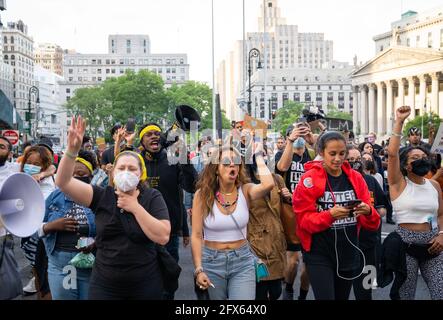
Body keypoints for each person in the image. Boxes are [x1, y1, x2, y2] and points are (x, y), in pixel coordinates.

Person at [55, 116, 171, 300]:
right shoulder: (101, 196)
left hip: (145, 284)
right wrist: (72, 150)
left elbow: (163, 236)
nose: (126, 172)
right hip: (105, 285)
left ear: (141, 174)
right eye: (121, 168)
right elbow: (63, 182)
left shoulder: (152, 197)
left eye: (132, 169)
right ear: (113, 172)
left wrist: (135, 207)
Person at [293, 131, 380, 300]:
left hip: (348, 251)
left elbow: (373, 224)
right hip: (319, 252)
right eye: (332, 154)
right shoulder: (308, 179)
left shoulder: (356, 178)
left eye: (342, 154)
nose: (338, 159)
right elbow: (303, 221)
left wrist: (368, 212)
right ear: (321, 153)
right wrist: (330, 215)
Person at [191, 145, 274, 300]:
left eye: (236, 162)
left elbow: (268, 184)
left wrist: (258, 157)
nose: (232, 165)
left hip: (242, 261)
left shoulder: (246, 190)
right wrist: (198, 269)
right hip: (212, 261)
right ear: (216, 168)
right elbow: (196, 235)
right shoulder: (201, 195)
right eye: (226, 162)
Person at [387, 106, 443, 300]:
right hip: (406, 245)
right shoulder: (398, 183)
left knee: (440, 291)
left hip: (433, 244)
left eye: (423, 157)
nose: (421, 159)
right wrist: (399, 122)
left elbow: (441, 215)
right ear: (405, 165)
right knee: (405, 294)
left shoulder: (434, 184)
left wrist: (442, 235)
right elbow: (393, 154)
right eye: (415, 158)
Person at [41, 150, 97, 300]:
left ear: (90, 176)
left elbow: (111, 229)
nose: (75, 178)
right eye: (70, 174)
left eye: (80, 174)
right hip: (60, 266)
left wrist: (96, 242)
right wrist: (52, 226)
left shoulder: (99, 197)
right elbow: (33, 228)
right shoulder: (54, 197)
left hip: (91, 266)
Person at [138, 122, 197, 264]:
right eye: (149, 134)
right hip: (141, 231)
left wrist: (185, 158)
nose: (154, 137)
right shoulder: (135, 163)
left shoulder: (174, 160)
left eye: (157, 134)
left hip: (169, 232)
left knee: (169, 279)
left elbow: (191, 187)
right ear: (142, 142)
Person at [275, 123, 312, 300]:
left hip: (311, 211)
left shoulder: (310, 155)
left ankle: (303, 295)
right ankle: (288, 288)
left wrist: (311, 137)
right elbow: (282, 167)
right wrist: (290, 141)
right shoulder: (283, 153)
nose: (299, 136)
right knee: (294, 259)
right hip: (290, 211)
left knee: (310, 262)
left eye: (301, 133)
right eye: (294, 133)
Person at [347, 146, 388, 300]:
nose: (355, 163)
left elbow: (382, 207)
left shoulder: (370, 180)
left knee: (365, 290)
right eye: (350, 160)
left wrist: (371, 213)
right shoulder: (339, 182)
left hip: (369, 244)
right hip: (345, 245)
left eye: (358, 159)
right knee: (340, 289)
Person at [246, 154, 287, 300]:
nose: (262, 157)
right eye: (258, 155)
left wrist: (287, 197)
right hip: (255, 241)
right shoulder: (244, 184)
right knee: (259, 291)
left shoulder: (277, 179)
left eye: (264, 153)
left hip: (276, 238)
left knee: (276, 291)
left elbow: (285, 206)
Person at [20, 145, 56, 299]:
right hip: (26, 230)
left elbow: (53, 167)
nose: (31, 166)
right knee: (36, 266)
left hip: (44, 232)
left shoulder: (49, 180)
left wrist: (42, 175)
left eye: (37, 164)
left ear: (43, 166)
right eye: (29, 162)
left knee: (45, 269)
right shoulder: (19, 175)